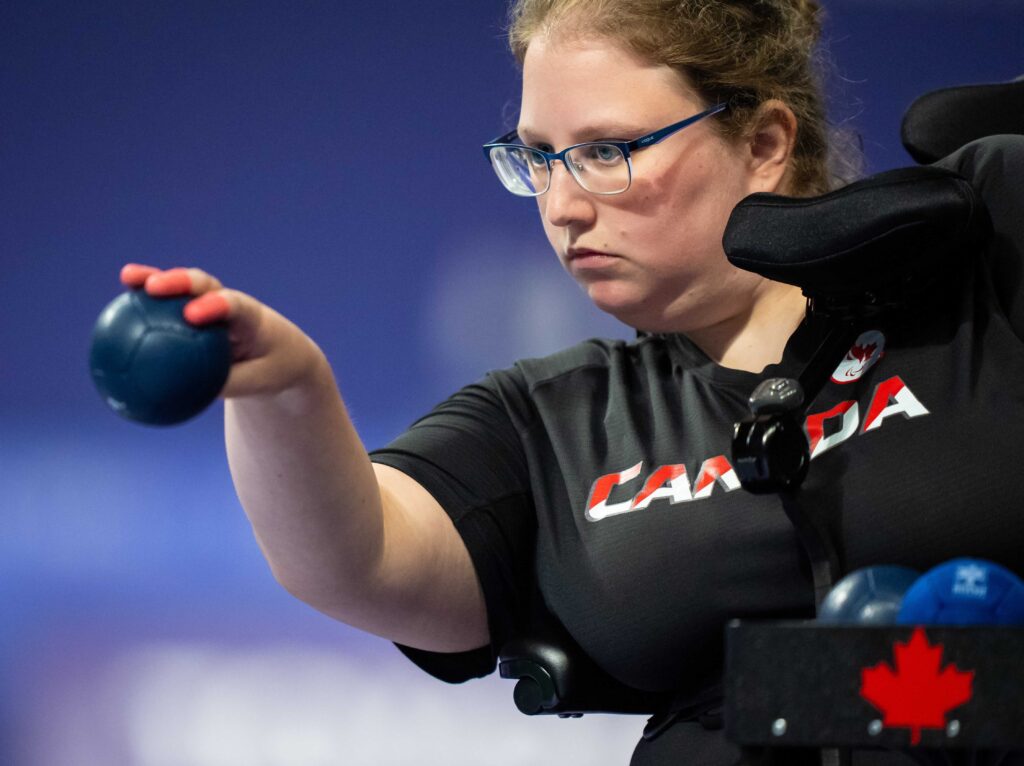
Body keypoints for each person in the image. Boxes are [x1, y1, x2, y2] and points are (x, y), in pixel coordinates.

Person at [119, 0, 1024, 763]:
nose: (562, 205)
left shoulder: (980, 284)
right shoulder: (550, 420)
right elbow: (358, 559)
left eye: (605, 150)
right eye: (538, 157)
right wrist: (284, 389)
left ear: (764, 142)